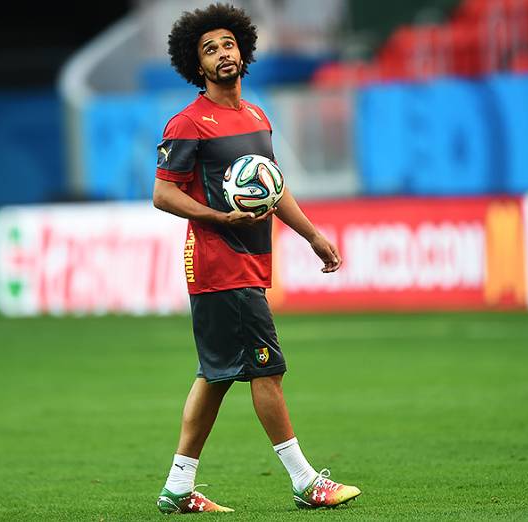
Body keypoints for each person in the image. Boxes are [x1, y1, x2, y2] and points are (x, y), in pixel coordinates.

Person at [151, 3, 361, 513]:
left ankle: (178, 487)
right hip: (219, 263)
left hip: (247, 261)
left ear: (243, 51)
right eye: (209, 49)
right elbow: (163, 194)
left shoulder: (256, 116)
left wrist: (312, 236)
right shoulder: (188, 123)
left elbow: (273, 188)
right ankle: (306, 481)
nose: (222, 53)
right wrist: (218, 218)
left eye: (228, 44)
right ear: (195, 65)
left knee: (217, 375)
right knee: (267, 371)